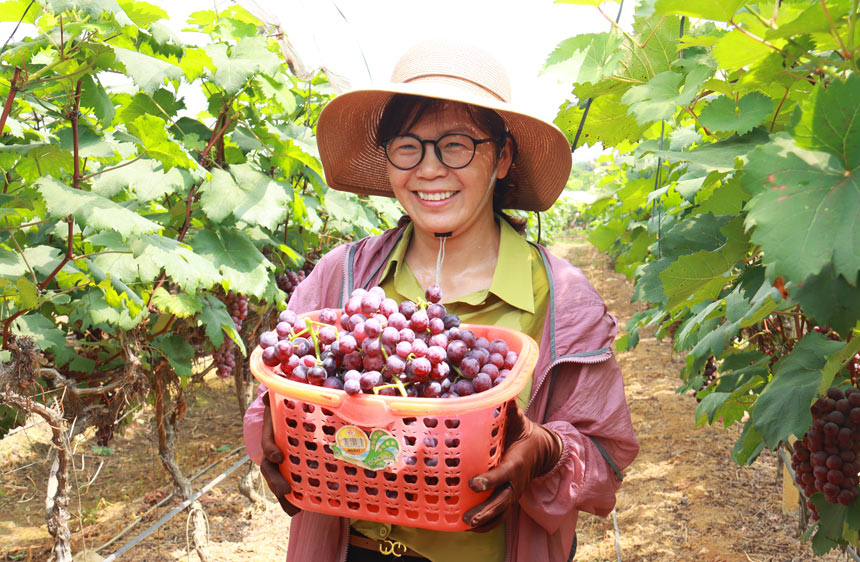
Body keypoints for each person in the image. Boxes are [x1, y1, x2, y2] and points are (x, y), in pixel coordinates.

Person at [243, 40, 639, 562]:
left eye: (456, 145)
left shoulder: (560, 296)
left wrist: (547, 449)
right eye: (408, 147)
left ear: (502, 158)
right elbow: (285, 388)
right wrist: (272, 428)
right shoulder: (343, 275)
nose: (429, 170)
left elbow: (605, 454)